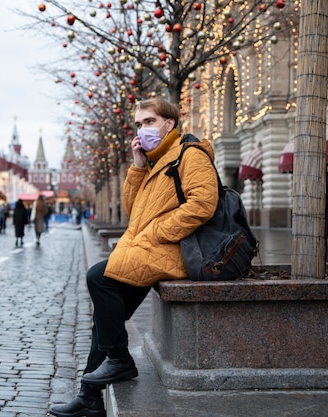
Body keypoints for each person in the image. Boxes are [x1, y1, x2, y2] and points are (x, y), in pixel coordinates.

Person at [48, 98, 219, 417]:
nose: (143, 129)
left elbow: (203, 203)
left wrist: (157, 232)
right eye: (139, 124)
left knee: (99, 278)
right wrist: (138, 166)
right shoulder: (158, 159)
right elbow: (133, 208)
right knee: (105, 319)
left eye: (150, 122)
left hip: (175, 250)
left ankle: (119, 361)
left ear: (170, 123)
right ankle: (91, 396)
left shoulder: (189, 154)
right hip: (153, 250)